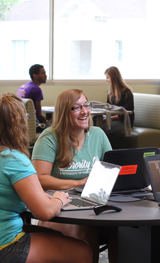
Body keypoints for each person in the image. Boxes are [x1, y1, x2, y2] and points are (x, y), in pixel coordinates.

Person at [0, 93, 92, 263]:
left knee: (56, 237)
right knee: (83, 251)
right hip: (2, 248)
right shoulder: (14, 160)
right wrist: (58, 200)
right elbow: (45, 212)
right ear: (20, 123)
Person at [31, 88, 116, 263]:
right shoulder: (49, 138)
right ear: (64, 112)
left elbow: (113, 168)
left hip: (94, 200)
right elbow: (40, 179)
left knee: (126, 231)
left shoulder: (98, 135)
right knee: (84, 229)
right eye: (76, 108)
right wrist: (78, 182)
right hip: (59, 205)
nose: (84, 111)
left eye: (86, 105)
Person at [103, 66, 134, 134]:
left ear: (113, 78)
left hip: (124, 121)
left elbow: (126, 113)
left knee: (104, 127)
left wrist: (109, 119)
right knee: (94, 121)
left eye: (108, 78)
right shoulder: (110, 92)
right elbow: (108, 107)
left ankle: (107, 144)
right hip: (113, 119)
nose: (106, 80)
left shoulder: (126, 93)